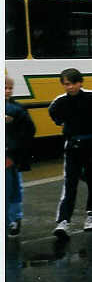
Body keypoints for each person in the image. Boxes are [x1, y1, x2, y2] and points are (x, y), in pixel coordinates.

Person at [48, 68, 92, 237]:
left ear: (80, 83)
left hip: (91, 143)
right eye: (65, 85)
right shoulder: (60, 101)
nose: (69, 87)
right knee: (70, 183)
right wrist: (62, 123)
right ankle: (63, 221)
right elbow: (53, 113)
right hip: (72, 145)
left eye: (71, 84)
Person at [6, 76, 35, 237]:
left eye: (10, 88)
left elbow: (29, 129)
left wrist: (13, 123)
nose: (8, 91)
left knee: (15, 188)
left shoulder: (16, 109)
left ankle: (15, 220)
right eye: (5, 88)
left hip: (11, 157)